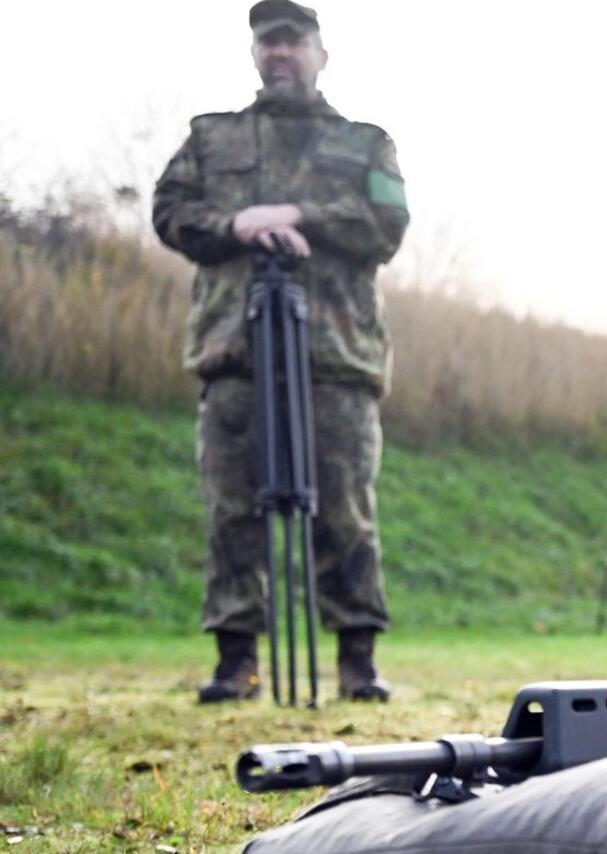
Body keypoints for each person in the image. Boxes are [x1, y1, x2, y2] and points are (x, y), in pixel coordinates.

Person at [153, 0, 408, 703]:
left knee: (346, 510)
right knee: (232, 509)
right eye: (269, 42)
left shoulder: (366, 142)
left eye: (294, 41)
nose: (281, 53)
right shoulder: (211, 137)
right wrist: (238, 224)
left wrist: (299, 216)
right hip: (233, 349)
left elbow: (387, 224)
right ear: (255, 54)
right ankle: (236, 661)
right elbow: (169, 212)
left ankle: (357, 661)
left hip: (337, 355)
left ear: (322, 54)